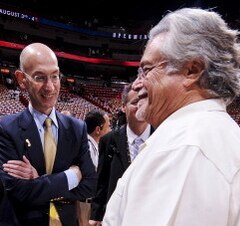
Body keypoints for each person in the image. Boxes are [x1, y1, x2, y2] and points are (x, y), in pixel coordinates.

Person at [103, 8, 240, 226]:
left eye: (146, 70)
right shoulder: (204, 134)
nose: (137, 84)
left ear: (191, 70)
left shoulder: (186, 147)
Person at [0, 43, 96, 226]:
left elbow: (90, 185)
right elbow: (17, 190)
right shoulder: (5, 128)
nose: (50, 87)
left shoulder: (77, 128)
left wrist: (38, 182)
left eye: (55, 76)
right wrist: (71, 177)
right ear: (21, 79)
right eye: (40, 78)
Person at [89, 83, 152, 226]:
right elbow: (102, 180)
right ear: (123, 107)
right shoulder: (108, 140)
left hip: (151, 213)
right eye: (135, 102)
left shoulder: (161, 136)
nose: (141, 105)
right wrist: (96, 214)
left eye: (145, 100)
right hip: (117, 215)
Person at [78, 109, 111, 225]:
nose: (110, 130)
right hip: (85, 204)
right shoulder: (87, 146)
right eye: (108, 126)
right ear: (98, 130)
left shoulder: (94, 145)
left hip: (90, 203)